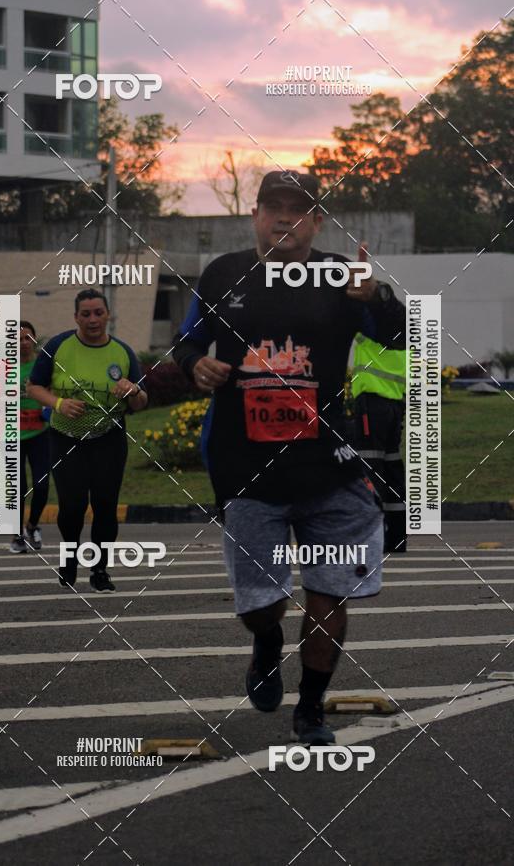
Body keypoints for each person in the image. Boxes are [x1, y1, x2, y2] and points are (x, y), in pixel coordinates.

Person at [172, 169, 406, 744]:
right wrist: (194, 365)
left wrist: (374, 298)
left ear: (316, 221)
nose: (284, 219)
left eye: (298, 210)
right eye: (272, 207)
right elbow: (187, 340)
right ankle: (267, 643)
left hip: (330, 466)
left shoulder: (340, 274)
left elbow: (403, 337)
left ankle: (312, 707)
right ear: (254, 215)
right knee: (261, 604)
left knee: (329, 592)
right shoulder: (224, 273)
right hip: (245, 466)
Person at [27, 289, 147, 592]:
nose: (92, 319)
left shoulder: (123, 352)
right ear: (76, 317)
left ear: (108, 315)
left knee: (105, 506)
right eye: (86, 314)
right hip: (65, 438)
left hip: (109, 439)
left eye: (98, 313)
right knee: (72, 506)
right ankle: (69, 561)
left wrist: (133, 392)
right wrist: (58, 404)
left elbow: (141, 402)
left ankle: (100, 571)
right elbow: (34, 387)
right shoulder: (58, 346)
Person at [352, 331, 407, 553]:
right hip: (395, 405)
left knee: (370, 469)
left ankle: (371, 537)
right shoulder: (403, 333)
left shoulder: (369, 331)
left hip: (371, 405)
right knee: (392, 468)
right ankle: (397, 537)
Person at [10, 321, 50, 554]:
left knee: (42, 485)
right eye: (19, 338)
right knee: (18, 487)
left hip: (41, 435)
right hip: (12, 437)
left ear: (35, 340)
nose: (24, 343)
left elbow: (54, 395)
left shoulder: (43, 367)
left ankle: (32, 526)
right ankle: (16, 535)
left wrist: (48, 410)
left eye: (28, 338)